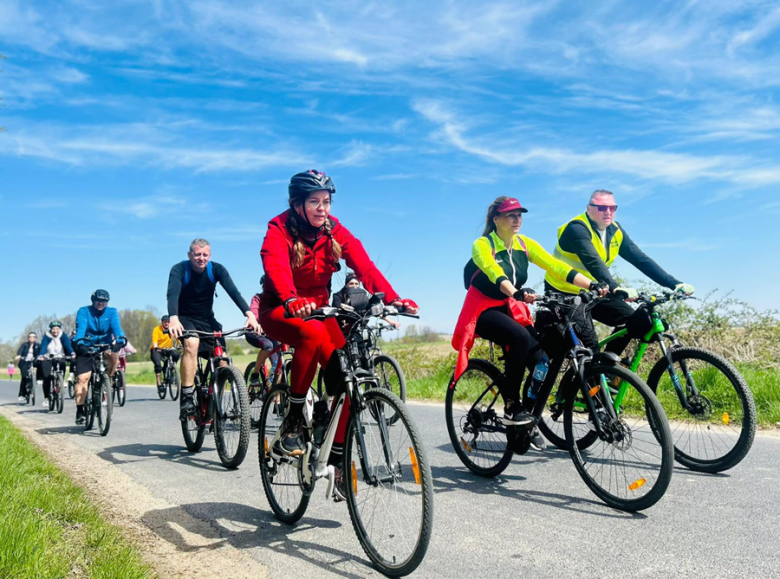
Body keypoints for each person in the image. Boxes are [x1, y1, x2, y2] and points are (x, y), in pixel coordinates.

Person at [258, 169, 418, 501]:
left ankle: (337, 457)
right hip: (281, 310)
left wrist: (393, 298)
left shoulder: (334, 230)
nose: (322, 208)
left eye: (326, 201)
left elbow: (365, 266)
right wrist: (290, 298)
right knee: (312, 331)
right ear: (297, 204)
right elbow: (275, 267)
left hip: (320, 312)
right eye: (314, 202)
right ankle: (293, 421)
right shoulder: (279, 229)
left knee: (349, 376)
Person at [452, 196, 607, 450]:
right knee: (520, 337)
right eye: (511, 215)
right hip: (482, 310)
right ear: (496, 219)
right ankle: (512, 406)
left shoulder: (525, 244)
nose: (517, 219)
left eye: (520, 215)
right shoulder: (483, 245)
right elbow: (494, 272)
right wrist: (515, 292)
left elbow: (556, 266)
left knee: (541, 361)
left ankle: (527, 422)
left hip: (511, 308)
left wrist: (592, 284)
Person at [544, 189, 694, 355]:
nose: (608, 212)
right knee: (590, 347)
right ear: (589, 208)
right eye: (602, 207)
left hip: (596, 290)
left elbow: (640, 259)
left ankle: (607, 366)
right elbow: (594, 261)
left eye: (612, 208)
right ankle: (591, 367)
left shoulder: (615, 230)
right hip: (565, 293)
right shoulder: (576, 228)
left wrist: (674, 284)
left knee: (635, 321)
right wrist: (615, 287)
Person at [166, 238, 260, 419]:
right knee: (192, 343)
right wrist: (174, 318)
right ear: (189, 255)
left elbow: (234, 292)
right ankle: (187, 397)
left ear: (209, 255)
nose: (201, 258)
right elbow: (172, 294)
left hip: (207, 319)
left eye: (204, 255)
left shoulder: (216, 269)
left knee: (222, 359)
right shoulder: (179, 269)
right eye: (197, 254)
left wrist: (250, 315)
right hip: (184, 318)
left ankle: (214, 399)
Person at [72, 289, 127, 424]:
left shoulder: (112, 312)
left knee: (114, 356)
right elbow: (81, 329)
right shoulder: (84, 311)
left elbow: (117, 328)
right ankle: (80, 411)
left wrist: (119, 341)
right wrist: (80, 343)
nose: (101, 303)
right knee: (82, 379)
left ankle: (106, 380)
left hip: (104, 345)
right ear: (93, 300)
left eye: (104, 301)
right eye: (98, 300)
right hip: (87, 346)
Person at [244, 288, 280, 387]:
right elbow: (254, 313)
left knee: (278, 365)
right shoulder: (257, 298)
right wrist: (258, 323)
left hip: (270, 334)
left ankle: (276, 394)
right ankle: (255, 374)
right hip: (254, 331)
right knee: (268, 345)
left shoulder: (279, 300)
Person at [36, 321, 75, 407]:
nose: (55, 331)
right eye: (53, 329)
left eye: (57, 329)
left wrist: (72, 353)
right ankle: (46, 398)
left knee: (62, 365)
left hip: (60, 356)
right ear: (51, 329)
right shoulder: (47, 336)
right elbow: (44, 346)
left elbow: (67, 345)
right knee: (46, 377)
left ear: (59, 329)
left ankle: (60, 382)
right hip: (47, 357)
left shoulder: (63, 335)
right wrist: (41, 355)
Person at [150, 315, 181, 389]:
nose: (166, 323)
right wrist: (156, 347)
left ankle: (172, 370)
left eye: (168, 322)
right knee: (158, 364)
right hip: (157, 349)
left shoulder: (171, 329)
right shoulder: (157, 329)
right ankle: (159, 382)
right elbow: (155, 340)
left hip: (167, 349)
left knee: (176, 354)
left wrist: (181, 344)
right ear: (162, 322)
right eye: (165, 322)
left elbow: (177, 338)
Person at [14, 332, 39, 402]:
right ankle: (22, 394)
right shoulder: (24, 345)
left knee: (42, 365)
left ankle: (38, 379)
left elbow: (41, 352)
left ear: (35, 338)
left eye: (33, 337)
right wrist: (19, 355)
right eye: (30, 337)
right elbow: (20, 351)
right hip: (24, 361)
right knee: (24, 377)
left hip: (33, 361)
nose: (32, 338)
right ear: (28, 338)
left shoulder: (38, 345)